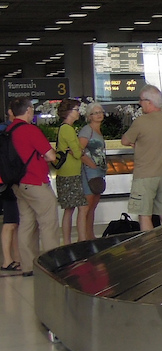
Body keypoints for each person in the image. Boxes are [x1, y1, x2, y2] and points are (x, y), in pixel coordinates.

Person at [6, 97, 58, 276]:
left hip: (18, 184)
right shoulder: (30, 130)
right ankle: (52, 267)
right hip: (36, 182)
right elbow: (51, 156)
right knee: (48, 224)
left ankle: (28, 266)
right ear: (28, 110)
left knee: (26, 224)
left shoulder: (9, 130)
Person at [121, 85, 162, 232]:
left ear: (149, 102)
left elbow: (125, 140)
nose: (140, 103)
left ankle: (150, 250)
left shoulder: (141, 121)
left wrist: (136, 142)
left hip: (145, 176)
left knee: (144, 216)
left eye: (141, 100)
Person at [54, 99, 88, 244]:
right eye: (76, 109)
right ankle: (82, 240)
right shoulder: (67, 129)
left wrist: (77, 150)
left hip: (65, 172)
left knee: (69, 209)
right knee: (82, 206)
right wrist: (80, 150)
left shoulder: (64, 128)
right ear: (68, 112)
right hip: (71, 173)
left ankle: (67, 242)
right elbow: (77, 152)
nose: (78, 112)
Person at [78, 102, 107, 240]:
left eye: (100, 111)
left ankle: (90, 235)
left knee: (93, 205)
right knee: (87, 206)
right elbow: (78, 150)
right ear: (89, 116)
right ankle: (83, 237)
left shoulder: (98, 131)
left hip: (99, 171)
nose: (99, 114)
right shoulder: (86, 130)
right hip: (89, 172)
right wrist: (91, 164)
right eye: (95, 113)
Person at [0, 110, 20, 272]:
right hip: (10, 181)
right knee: (10, 221)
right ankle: (8, 259)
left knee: (13, 222)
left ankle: (15, 258)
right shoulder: (10, 132)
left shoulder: (6, 131)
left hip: (5, 181)